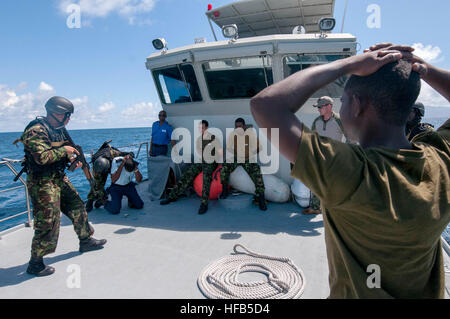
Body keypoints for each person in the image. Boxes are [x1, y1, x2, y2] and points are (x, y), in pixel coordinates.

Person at [250, 43, 450, 298]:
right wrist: (422, 67)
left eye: (342, 101)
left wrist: (349, 64)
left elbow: (265, 105)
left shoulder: (352, 172)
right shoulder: (441, 159)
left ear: (356, 104)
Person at [16, 96, 107, 277]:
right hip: (42, 182)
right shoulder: (36, 130)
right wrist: (64, 151)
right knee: (47, 221)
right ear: (56, 113)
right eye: (67, 115)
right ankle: (35, 263)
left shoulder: (59, 130)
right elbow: (41, 157)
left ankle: (86, 240)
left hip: (58, 177)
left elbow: (62, 153)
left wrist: (72, 160)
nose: (68, 119)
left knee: (77, 206)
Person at [160, 120, 222, 215]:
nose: (201, 130)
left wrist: (217, 163)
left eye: (203, 128)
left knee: (206, 177)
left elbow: (220, 152)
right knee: (188, 174)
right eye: (200, 128)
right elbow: (199, 151)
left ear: (207, 128)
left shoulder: (213, 138)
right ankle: (172, 196)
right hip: (202, 161)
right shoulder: (199, 139)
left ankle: (204, 204)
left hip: (211, 162)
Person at [304, 96, 349, 215]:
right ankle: (315, 207)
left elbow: (351, 138)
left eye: (320, 107)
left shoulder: (340, 120)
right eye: (317, 107)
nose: (318, 109)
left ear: (329, 106)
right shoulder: (317, 121)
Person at [220, 118, 267, 211]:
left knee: (257, 173)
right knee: (225, 167)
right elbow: (229, 147)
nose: (238, 128)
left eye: (240, 126)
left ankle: (261, 198)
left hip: (248, 158)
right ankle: (224, 190)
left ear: (244, 126)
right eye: (236, 127)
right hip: (237, 157)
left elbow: (259, 148)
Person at [85, 141, 128, 212]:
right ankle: (91, 200)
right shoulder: (96, 159)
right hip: (98, 169)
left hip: (106, 166)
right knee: (96, 184)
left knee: (102, 184)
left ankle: (101, 199)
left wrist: (128, 154)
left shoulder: (112, 153)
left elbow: (121, 153)